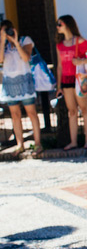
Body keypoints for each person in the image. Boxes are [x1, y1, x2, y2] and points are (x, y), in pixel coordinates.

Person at [55, 15, 87, 151]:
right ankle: (73, 142)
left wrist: (81, 61)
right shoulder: (59, 45)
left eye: (59, 23)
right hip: (66, 80)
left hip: (79, 79)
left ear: (67, 24)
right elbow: (60, 66)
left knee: (84, 109)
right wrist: (59, 86)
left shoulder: (80, 41)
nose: (57, 26)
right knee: (72, 111)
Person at [0, 20, 42, 156]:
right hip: (9, 83)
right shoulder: (3, 45)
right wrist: (2, 41)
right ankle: (20, 144)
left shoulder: (25, 40)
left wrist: (16, 42)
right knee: (14, 115)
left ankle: (37, 143)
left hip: (24, 81)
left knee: (31, 113)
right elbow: (0, 60)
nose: (8, 34)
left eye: (8, 30)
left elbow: (26, 57)